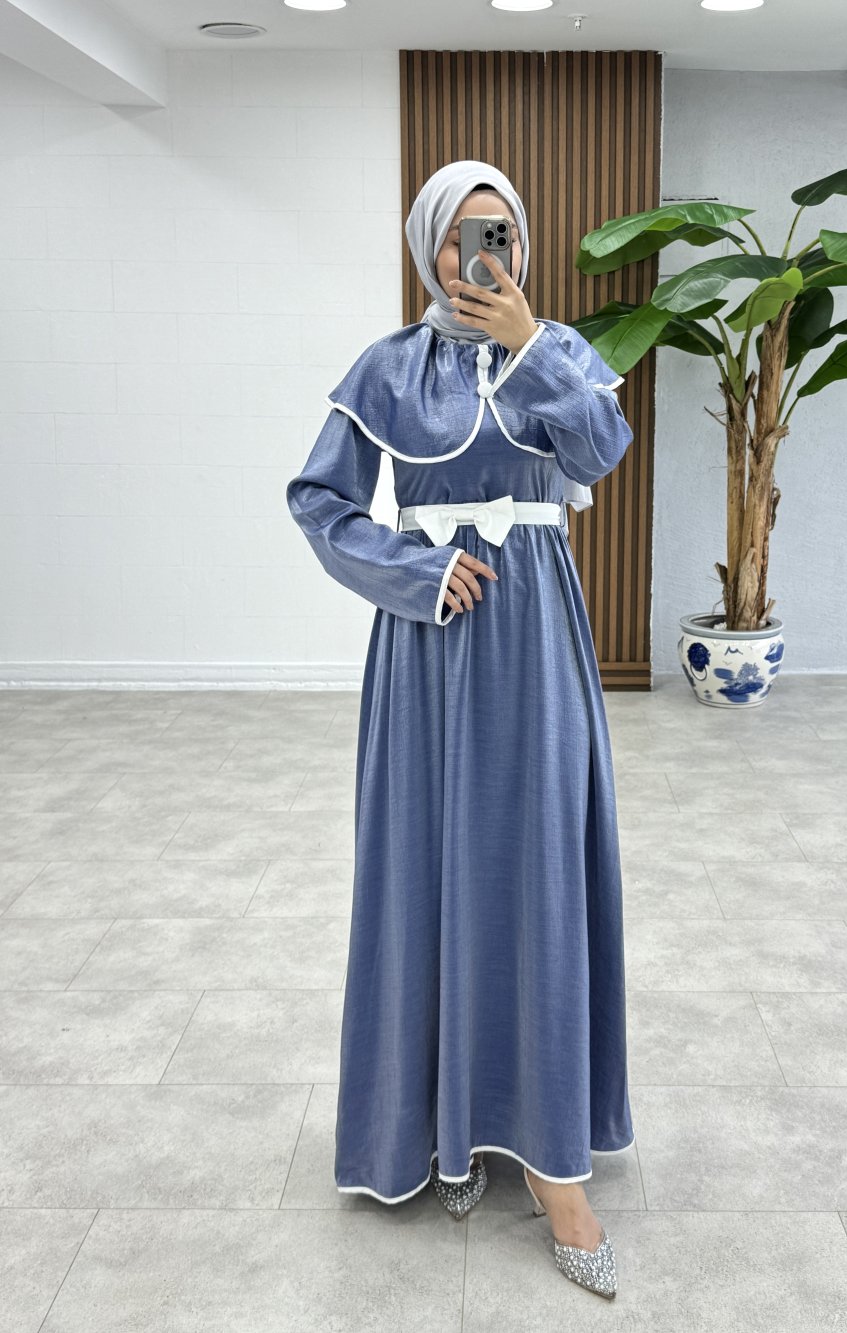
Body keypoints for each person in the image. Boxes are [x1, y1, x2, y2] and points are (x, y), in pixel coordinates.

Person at [286, 159, 635, 1299]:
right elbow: (320, 502)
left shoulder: (561, 351)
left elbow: (600, 453)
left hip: (536, 643)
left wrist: (532, 346)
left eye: (503, 235)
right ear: (427, 245)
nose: (483, 256)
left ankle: (553, 1166)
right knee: (428, 868)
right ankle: (445, 1121)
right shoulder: (388, 368)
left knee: (536, 872)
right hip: (431, 646)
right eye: (461, 237)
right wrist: (414, 571)